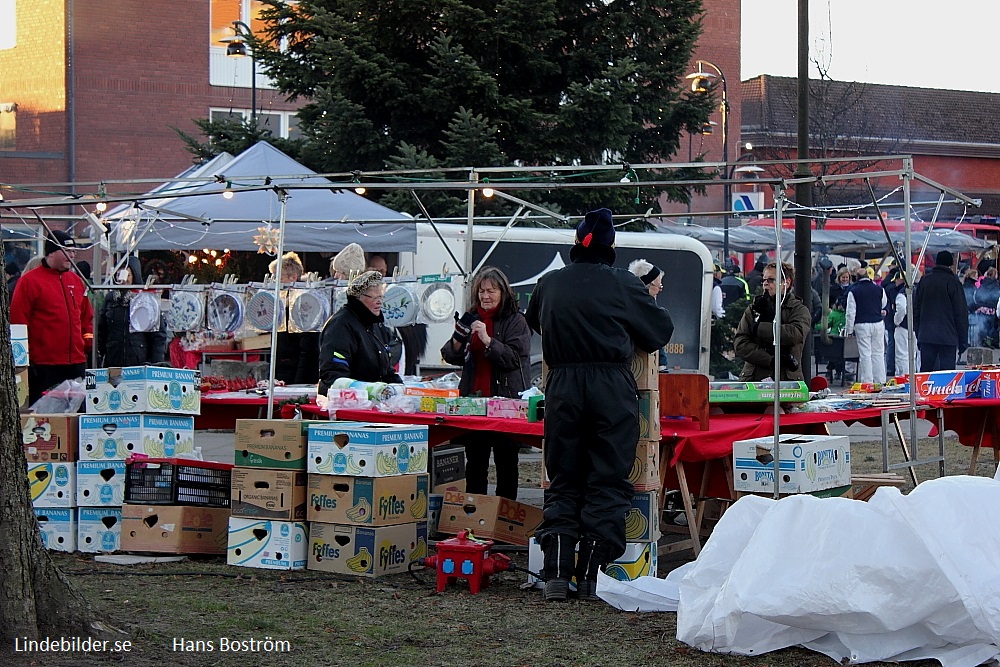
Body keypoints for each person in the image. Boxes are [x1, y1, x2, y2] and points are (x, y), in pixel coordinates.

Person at [525, 207, 673, 602]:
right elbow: (659, 331)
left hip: (562, 386)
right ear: (611, 247)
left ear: (576, 243)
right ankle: (590, 573)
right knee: (607, 477)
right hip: (611, 386)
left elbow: (535, 320)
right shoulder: (623, 284)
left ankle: (556, 568)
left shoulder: (550, 283)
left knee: (565, 477)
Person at [440, 267, 530, 500]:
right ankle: (474, 518)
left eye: (491, 291)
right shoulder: (471, 317)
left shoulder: (516, 321)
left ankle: (505, 520)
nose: (485, 296)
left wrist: (489, 340)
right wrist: (458, 340)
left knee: (506, 463)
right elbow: (450, 356)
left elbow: (513, 358)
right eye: (481, 291)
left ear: (504, 292)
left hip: (506, 405)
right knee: (475, 463)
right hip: (474, 403)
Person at [10, 231, 94, 406]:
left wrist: (87, 343)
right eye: (67, 251)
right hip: (44, 365)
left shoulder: (76, 281)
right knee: (45, 416)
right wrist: (25, 359)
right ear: (52, 252)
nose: (72, 256)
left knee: (78, 411)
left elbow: (86, 317)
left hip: (76, 362)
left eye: (74, 252)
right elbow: (18, 321)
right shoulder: (29, 281)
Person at [318, 270, 402, 397]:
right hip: (347, 404)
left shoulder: (376, 325)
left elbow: (386, 370)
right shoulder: (340, 325)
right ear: (359, 298)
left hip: (374, 402)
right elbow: (334, 375)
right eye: (374, 297)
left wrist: (399, 388)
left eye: (381, 297)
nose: (379, 302)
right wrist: (366, 391)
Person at [733, 261, 811, 382]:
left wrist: (759, 328)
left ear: (786, 282)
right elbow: (740, 343)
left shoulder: (798, 309)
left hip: (786, 379)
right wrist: (769, 359)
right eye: (763, 280)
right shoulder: (754, 309)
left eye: (771, 280)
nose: (765, 284)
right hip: (754, 378)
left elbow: (795, 334)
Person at [97, 257, 167, 367]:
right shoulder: (110, 299)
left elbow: (158, 335)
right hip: (114, 360)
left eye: (127, 275)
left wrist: (156, 362)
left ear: (135, 275)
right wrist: (98, 356)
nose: (123, 279)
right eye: (119, 275)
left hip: (139, 361)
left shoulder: (146, 299)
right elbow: (101, 331)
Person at [270, 252, 319, 385]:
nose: (275, 282)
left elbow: (308, 351)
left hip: (297, 377)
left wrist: (299, 382)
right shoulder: (280, 306)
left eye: (279, 278)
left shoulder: (304, 307)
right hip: (281, 374)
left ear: (293, 277)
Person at [914, 251, 968, 372]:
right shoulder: (954, 283)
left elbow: (916, 309)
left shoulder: (924, 281)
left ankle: (924, 391)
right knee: (947, 375)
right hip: (948, 337)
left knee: (926, 373)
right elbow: (961, 313)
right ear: (950, 264)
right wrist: (963, 340)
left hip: (926, 335)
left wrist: (919, 332)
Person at [845, 266, 887, 384]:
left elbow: (850, 312)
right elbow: (884, 303)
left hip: (861, 324)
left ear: (857, 278)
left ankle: (867, 381)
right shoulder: (879, 289)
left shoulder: (853, 291)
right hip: (878, 322)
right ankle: (880, 380)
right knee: (878, 352)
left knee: (865, 354)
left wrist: (849, 330)